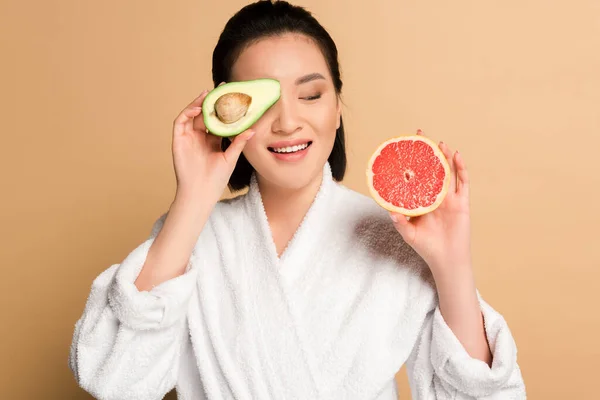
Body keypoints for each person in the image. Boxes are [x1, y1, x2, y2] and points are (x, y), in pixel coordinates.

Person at [68, 1, 526, 399]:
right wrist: (192, 200)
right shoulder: (190, 238)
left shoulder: (393, 237)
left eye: (310, 94)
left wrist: (452, 265)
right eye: (263, 104)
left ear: (337, 104)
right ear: (229, 114)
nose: (288, 122)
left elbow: (481, 395)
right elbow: (115, 380)